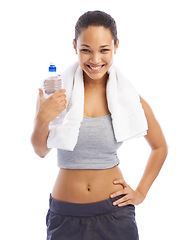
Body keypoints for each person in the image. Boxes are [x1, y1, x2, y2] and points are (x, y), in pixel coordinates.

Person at [31, 10, 168, 240]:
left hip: (114, 214)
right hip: (66, 215)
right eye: (86, 50)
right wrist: (42, 119)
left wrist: (141, 192)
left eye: (104, 49)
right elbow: (41, 150)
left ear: (116, 46)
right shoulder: (56, 94)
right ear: (75, 46)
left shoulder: (128, 99)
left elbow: (159, 147)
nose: (95, 60)